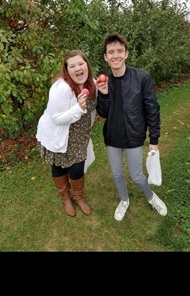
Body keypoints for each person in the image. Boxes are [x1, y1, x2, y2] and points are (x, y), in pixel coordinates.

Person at [96, 32, 167, 221]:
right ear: (105, 56)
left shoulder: (142, 77)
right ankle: (124, 200)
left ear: (126, 54)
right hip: (113, 137)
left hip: (134, 135)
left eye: (120, 51)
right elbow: (103, 113)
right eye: (111, 52)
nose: (115, 55)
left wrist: (154, 140)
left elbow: (152, 108)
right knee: (117, 173)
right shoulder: (105, 81)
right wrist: (102, 94)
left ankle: (151, 197)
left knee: (136, 175)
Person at [36, 50, 97, 217]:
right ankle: (65, 198)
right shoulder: (61, 88)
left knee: (77, 169)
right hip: (59, 135)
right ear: (67, 70)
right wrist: (78, 108)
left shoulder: (92, 84)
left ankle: (78, 197)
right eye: (72, 66)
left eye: (81, 64)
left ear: (87, 65)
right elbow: (56, 118)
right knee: (58, 167)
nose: (78, 68)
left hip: (80, 137)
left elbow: (99, 107)